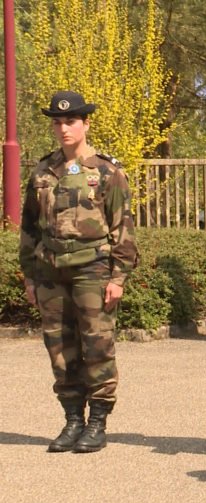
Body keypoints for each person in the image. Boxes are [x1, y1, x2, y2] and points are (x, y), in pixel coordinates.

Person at [20, 91, 139, 453]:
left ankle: (98, 422)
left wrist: (118, 277)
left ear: (85, 123)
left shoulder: (106, 171)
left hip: (93, 269)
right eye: (57, 122)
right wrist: (28, 275)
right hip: (50, 272)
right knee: (59, 347)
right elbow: (29, 228)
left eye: (70, 121)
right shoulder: (42, 172)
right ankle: (73, 419)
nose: (63, 128)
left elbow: (123, 227)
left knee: (97, 345)